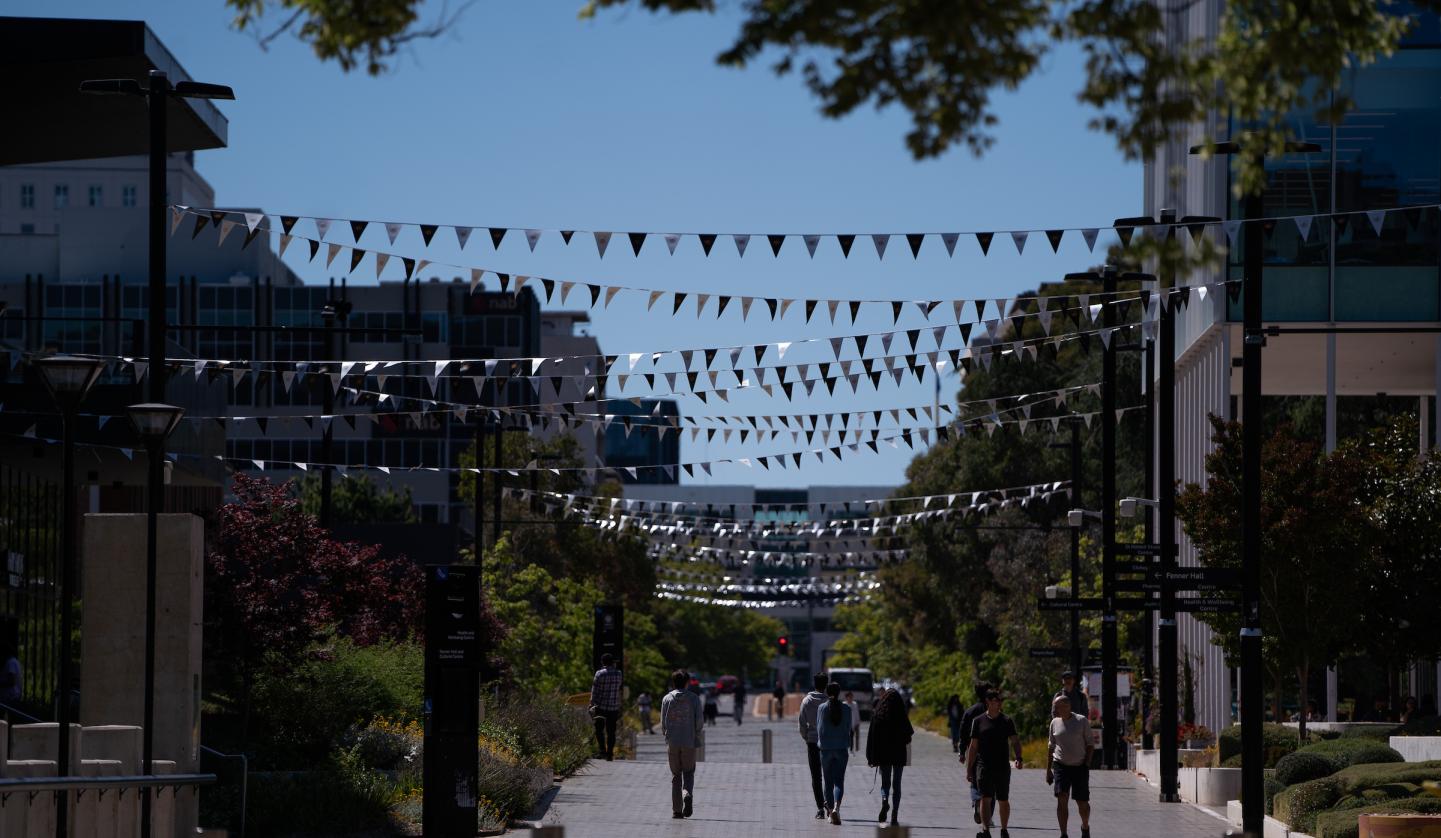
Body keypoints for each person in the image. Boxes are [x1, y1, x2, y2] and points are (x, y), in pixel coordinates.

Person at [965, 690, 1022, 838]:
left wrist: (1019, 757)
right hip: (984, 766)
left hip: (1002, 766)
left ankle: (1004, 830)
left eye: (1000, 700)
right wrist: (969, 768)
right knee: (985, 797)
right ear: (988, 702)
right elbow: (973, 746)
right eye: (996, 700)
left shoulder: (1007, 721)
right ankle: (986, 830)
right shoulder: (978, 721)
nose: (999, 703)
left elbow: (1015, 741)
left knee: (1003, 799)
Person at [1047, 694, 1094, 838]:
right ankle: (1063, 833)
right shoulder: (1054, 722)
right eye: (1055, 707)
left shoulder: (1081, 721)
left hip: (1079, 766)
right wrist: (1048, 770)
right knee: (1062, 798)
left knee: (1082, 803)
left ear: (1067, 706)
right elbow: (1051, 747)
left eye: (1057, 707)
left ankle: (1085, 826)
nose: (1055, 710)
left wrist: (1086, 764)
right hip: (1061, 765)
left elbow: (1090, 744)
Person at [866, 687, 914, 827]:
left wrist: (871, 757)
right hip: (899, 754)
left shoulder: (878, 715)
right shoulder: (901, 716)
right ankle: (894, 815)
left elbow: (872, 737)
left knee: (885, 783)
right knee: (897, 785)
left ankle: (884, 800)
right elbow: (908, 737)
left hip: (884, 754)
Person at [661, 669, 704, 819]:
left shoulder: (667, 698)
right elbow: (699, 721)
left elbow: (663, 722)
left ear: (673, 682)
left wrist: (666, 734)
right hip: (688, 741)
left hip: (673, 741)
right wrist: (696, 733)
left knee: (676, 775)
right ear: (687, 682)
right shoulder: (694, 698)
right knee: (689, 772)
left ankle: (677, 811)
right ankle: (687, 793)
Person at [817, 682, 853, 824]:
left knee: (828, 781)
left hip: (825, 749)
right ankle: (836, 809)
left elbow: (819, 729)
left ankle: (830, 810)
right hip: (841, 748)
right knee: (839, 781)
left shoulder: (822, 708)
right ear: (839, 693)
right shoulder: (847, 709)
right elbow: (848, 728)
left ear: (827, 692)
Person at [958, 681, 994, 828]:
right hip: (992, 751)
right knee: (991, 784)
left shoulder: (970, 711)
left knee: (974, 780)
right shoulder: (993, 710)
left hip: (973, 750)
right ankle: (988, 817)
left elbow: (962, 733)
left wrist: (962, 751)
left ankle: (977, 803)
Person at [798, 672, 832, 820]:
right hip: (828, 743)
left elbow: (801, 723)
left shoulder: (807, 700)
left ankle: (820, 808)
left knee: (816, 777)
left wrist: (806, 737)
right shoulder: (830, 702)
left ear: (814, 683)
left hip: (812, 742)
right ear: (826, 684)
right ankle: (830, 805)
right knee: (829, 776)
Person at [589, 653, 623, 761]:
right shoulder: (618, 674)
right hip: (613, 707)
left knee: (599, 730)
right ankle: (610, 754)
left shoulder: (599, 673)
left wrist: (591, 703)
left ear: (603, 662)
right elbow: (618, 687)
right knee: (611, 731)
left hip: (601, 706)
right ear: (612, 662)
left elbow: (594, 690)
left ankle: (602, 751)